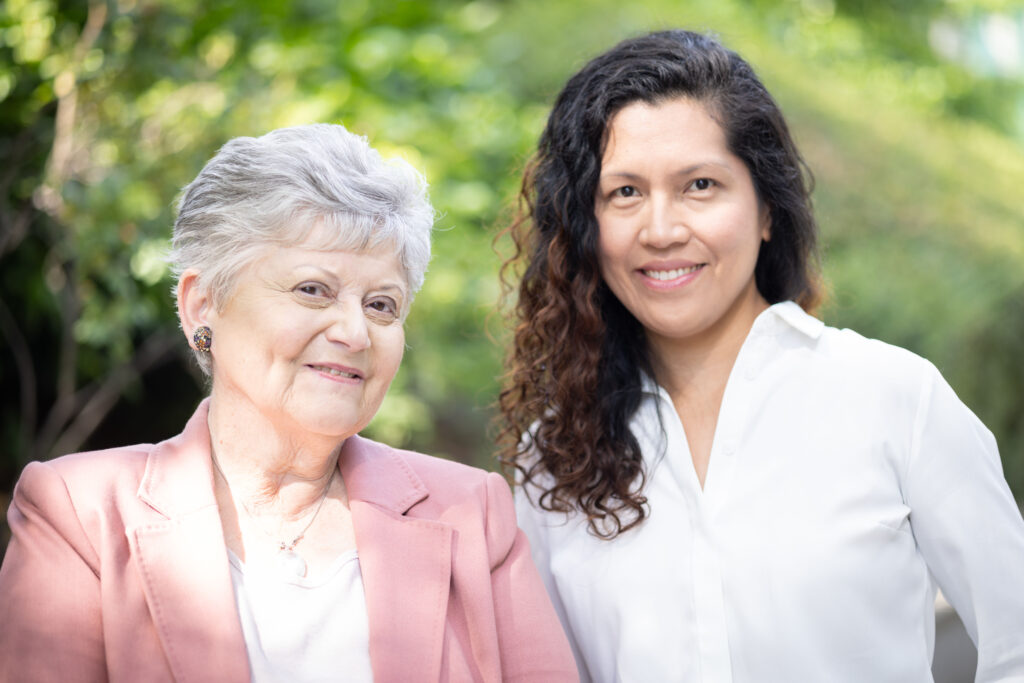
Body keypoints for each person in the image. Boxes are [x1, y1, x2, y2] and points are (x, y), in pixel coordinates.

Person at [500, 29, 1024, 682]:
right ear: (585, 225)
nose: (661, 230)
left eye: (699, 184)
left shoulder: (892, 399)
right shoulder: (553, 456)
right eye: (624, 193)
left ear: (767, 208)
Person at [0, 123, 578, 683]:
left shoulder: (471, 512)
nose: (355, 332)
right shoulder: (80, 513)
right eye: (312, 290)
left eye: (382, 305)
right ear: (203, 304)